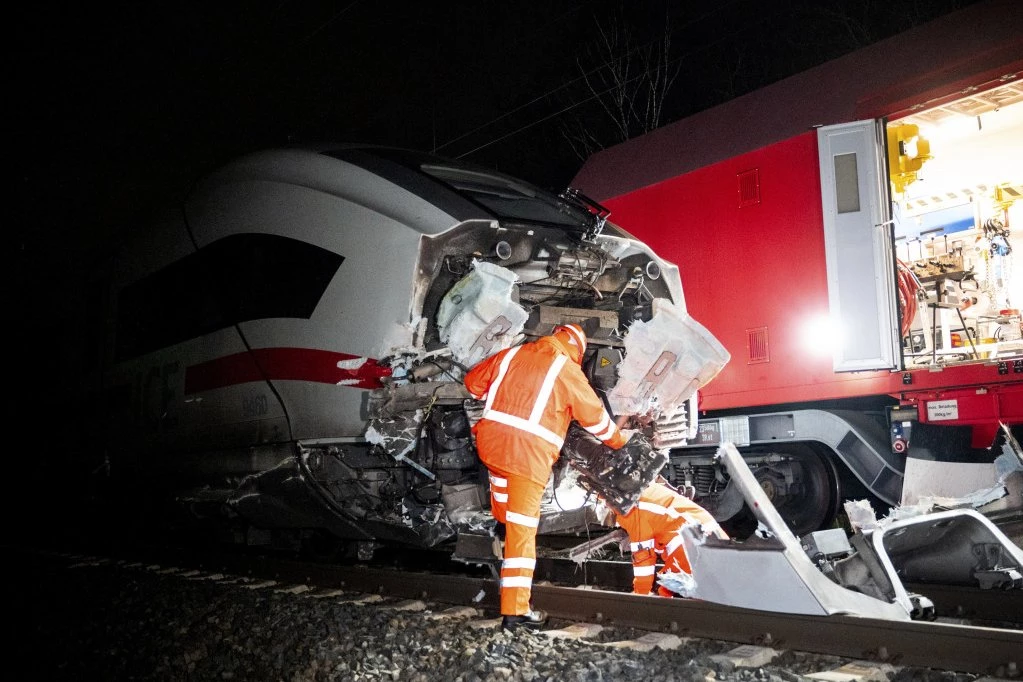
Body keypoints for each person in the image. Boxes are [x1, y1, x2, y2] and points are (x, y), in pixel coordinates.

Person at [464, 323, 629, 631]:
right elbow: (596, 420)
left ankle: (500, 524)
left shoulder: (513, 354)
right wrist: (621, 444)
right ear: (577, 351)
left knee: (503, 501)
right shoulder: (567, 370)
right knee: (521, 533)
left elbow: (472, 384)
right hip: (526, 459)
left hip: (492, 448)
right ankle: (515, 613)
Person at [610, 478, 728, 597]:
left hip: (695, 550)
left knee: (667, 597)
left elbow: (643, 558)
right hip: (715, 540)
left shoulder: (633, 511)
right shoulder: (648, 490)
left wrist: (640, 594)